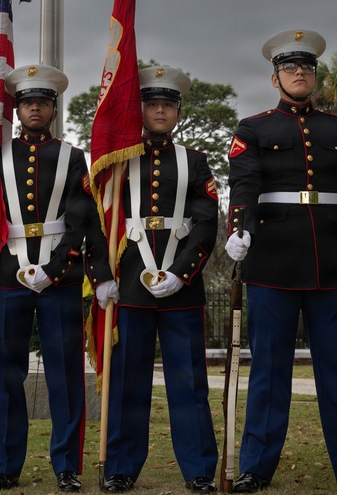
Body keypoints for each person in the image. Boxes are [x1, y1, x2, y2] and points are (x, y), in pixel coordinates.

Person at [224, 30, 337, 492]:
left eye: (307, 68)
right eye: (291, 68)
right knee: (269, 372)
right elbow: (245, 185)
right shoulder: (252, 128)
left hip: (330, 263)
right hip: (272, 262)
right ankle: (256, 467)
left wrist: (323, 212)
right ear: (274, 77)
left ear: (315, 76)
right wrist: (242, 228)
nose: (300, 73)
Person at [0, 64, 117, 493]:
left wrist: (55, 270)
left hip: (61, 279)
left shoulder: (72, 157)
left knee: (65, 377)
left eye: (43, 102)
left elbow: (83, 220)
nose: (35, 108)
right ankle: (4, 466)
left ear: (53, 108)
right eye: (28, 102)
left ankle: (67, 467)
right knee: (5, 376)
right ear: (16, 109)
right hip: (7, 281)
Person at [102, 66, 220, 494]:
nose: (159, 111)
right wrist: (101, 276)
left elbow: (207, 223)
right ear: (140, 110)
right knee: (127, 383)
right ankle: (120, 468)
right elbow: (101, 221)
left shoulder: (195, 161)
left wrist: (182, 273)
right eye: (152, 104)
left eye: (167, 105)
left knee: (189, 385)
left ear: (177, 113)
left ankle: (199, 470)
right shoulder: (118, 160)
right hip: (130, 286)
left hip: (182, 290)